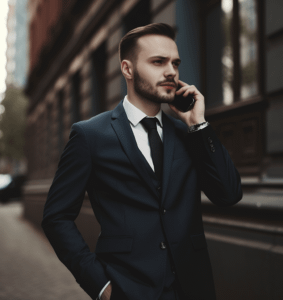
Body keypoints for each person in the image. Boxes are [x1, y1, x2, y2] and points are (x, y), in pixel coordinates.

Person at [42, 23, 242, 300]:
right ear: (127, 69)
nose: (171, 71)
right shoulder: (90, 136)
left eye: (175, 63)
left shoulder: (188, 134)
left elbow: (229, 194)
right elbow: (56, 217)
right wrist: (100, 286)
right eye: (158, 62)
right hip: (127, 289)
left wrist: (200, 125)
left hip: (193, 289)